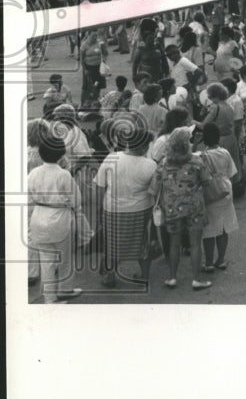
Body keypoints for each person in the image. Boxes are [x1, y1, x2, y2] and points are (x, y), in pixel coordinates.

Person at [148, 128, 213, 291]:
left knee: (174, 243)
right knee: (195, 243)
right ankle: (197, 279)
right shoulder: (196, 161)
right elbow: (207, 181)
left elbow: (154, 188)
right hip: (194, 207)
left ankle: (172, 277)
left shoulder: (164, 163)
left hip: (172, 208)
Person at [95, 124, 157, 287]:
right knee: (142, 243)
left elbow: (100, 186)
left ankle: (110, 276)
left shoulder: (112, 158)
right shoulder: (150, 165)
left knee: (112, 243)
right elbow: (155, 191)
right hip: (141, 209)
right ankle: (144, 275)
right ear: (144, 146)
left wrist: (98, 209)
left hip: (112, 209)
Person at [27, 136, 86, 302]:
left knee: (46, 260)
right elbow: (76, 200)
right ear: (61, 154)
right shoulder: (64, 175)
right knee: (65, 258)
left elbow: (28, 198)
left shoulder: (33, 173)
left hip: (38, 217)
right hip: (60, 218)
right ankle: (65, 289)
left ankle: (50, 299)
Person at [198, 123, 239, 273]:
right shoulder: (225, 153)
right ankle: (220, 259)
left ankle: (208, 263)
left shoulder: (202, 156)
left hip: (209, 193)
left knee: (208, 230)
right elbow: (232, 173)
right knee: (223, 228)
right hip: (225, 190)